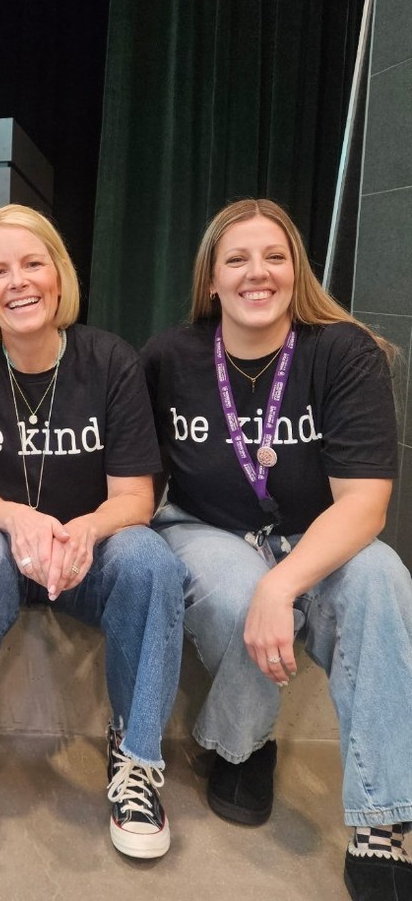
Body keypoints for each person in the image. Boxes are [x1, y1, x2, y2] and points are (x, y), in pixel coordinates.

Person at [143, 199, 412, 901]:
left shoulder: (345, 352)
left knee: (383, 580)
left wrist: (282, 583)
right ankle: (243, 746)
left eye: (274, 256)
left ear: (297, 270)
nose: (256, 273)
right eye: (236, 259)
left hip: (317, 529)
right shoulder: (170, 357)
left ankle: (383, 817)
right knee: (236, 590)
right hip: (204, 525)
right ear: (211, 280)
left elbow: (364, 505)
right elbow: (134, 473)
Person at [0, 203, 187, 858]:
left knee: (151, 558)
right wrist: (21, 519)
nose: (18, 282)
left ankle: (137, 760)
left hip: (89, 556)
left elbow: (136, 497)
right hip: (5, 553)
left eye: (33, 263)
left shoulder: (111, 361)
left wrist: (84, 532)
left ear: (59, 277)